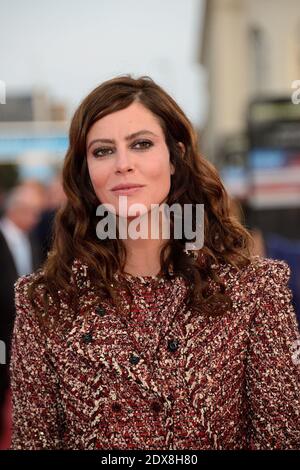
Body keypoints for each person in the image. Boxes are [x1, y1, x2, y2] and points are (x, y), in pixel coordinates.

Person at [9, 75, 300, 450]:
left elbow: (282, 439)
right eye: (102, 151)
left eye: (141, 144)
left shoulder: (255, 290)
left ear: (175, 157)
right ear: (86, 172)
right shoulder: (45, 304)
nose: (123, 164)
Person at [0, 182, 45, 439]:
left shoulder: (29, 238)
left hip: (20, 333)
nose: (36, 218)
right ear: (17, 210)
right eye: (32, 212)